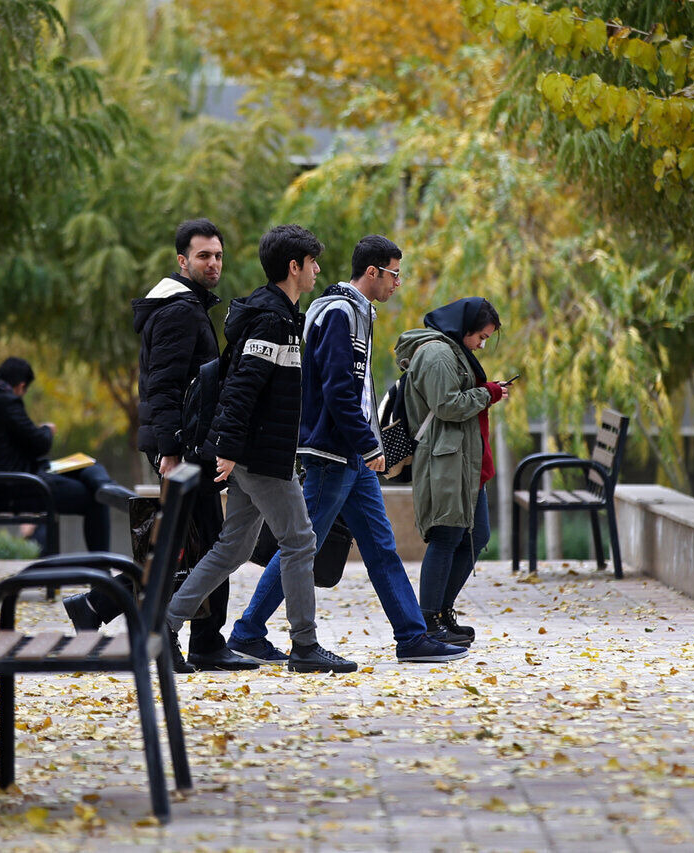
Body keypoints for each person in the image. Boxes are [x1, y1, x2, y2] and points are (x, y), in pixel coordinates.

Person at [225, 235, 468, 664]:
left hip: (349, 455)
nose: (398, 282)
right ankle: (247, 632)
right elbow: (339, 390)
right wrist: (367, 443)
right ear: (372, 272)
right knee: (301, 545)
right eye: (394, 273)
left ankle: (412, 637)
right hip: (332, 453)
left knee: (380, 546)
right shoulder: (340, 312)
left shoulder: (351, 311)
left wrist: (364, 445)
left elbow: (351, 391)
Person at [62, 218, 256, 672]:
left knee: (196, 544)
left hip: (192, 445)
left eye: (218, 255)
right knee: (191, 547)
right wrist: (170, 451)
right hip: (185, 449)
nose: (213, 263)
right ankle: (175, 632)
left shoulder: (188, 306)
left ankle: (109, 610)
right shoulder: (178, 311)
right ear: (182, 260)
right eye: (204, 255)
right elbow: (164, 387)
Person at [165, 224, 357, 674]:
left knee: (233, 547)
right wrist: (229, 450)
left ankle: (163, 626)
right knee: (300, 540)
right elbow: (240, 388)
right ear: (294, 267)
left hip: (255, 452)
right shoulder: (272, 318)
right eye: (313, 263)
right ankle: (305, 646)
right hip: (259, 455)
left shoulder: (282, 314)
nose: (318, 271)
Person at [393, 298, 509, 645]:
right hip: (446, 460)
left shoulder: (454, 351)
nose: (482, 345)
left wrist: (486, 394)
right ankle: (428, 619)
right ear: (465, 328)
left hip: (465, 461)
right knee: (446, 537)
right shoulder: (437, 353)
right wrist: (487, 394)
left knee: (475, 536)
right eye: (481, 337)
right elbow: (446, 405)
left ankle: (443, 611)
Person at [0, 356, 137, 552]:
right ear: (20, 386)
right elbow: (40, 444)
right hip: (15, 486)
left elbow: (5, 440)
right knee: (95, 499)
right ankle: (101, 573)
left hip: (1, 483)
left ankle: (106, 486)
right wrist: (46, 430)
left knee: (87, 463)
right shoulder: (7, 402)